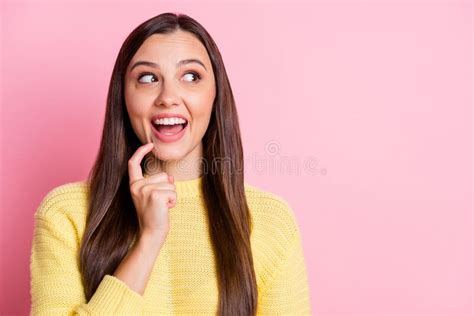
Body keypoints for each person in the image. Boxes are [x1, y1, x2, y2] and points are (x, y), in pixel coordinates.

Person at [29, 12, 311, 315]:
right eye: (148, 78)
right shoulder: (65, 215)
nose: (168, 97)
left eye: (191, 76)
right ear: (123, 96)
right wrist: (148, 240)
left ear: (216, 95)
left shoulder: (271, 222)